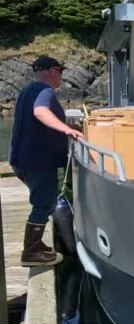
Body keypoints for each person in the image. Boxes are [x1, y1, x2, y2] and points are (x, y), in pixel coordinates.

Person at [7, 56, 83, 267]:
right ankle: (31, 252)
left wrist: (67, 126)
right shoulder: (45, 92)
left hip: (22, 158)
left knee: (43, 201)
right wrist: (67, 129)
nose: (61, 78)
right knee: (43, 204)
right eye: (61, 73)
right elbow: (40, 112)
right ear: (53, 71)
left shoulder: (27, 90)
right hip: (37, 161)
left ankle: (37, 246)